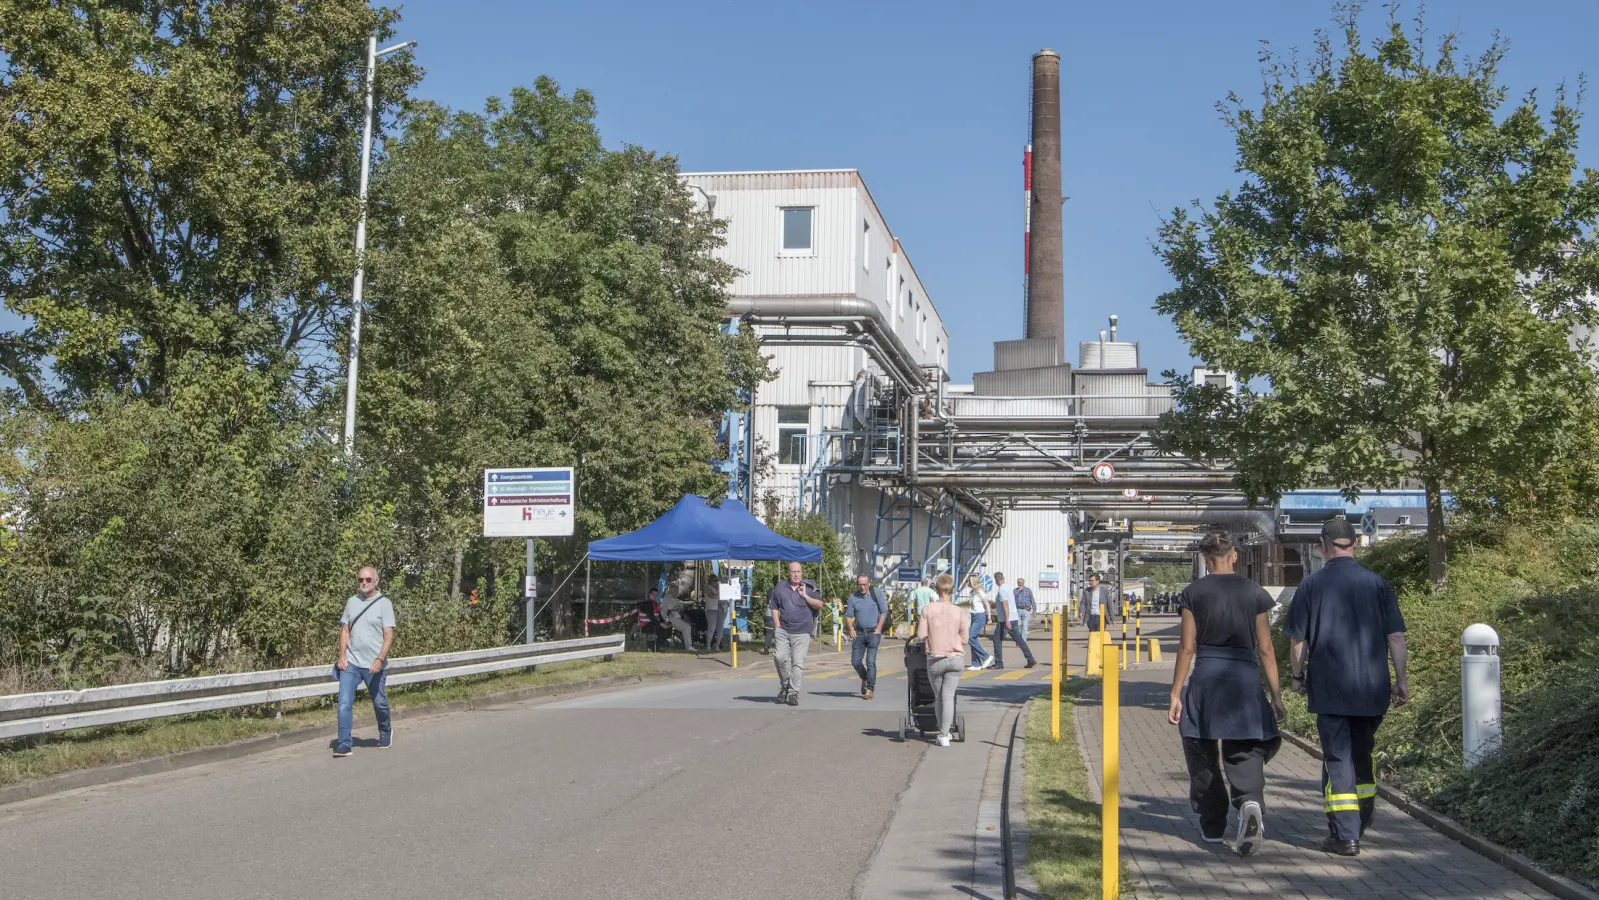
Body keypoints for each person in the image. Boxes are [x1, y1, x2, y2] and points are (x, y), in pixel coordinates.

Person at [1284, 518, 1409, 858]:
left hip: (1330, 687)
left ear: (1323, 546)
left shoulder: (1311, 586)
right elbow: (1396, 637)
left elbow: (1298, 640)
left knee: (1337, 758)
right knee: (1361, 754)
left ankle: (1346, 835)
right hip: (1372, 688)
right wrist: (1401, 681)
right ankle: (1361, 817)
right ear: (1354, 543)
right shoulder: (1378, 584)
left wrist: (1297, 677)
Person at [1166, 531, 1287, 856]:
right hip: (1244, 682)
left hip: (1207, 681)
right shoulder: (1254, 592)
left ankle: (1212, 825)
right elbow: (1265, 649)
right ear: (1234, 555)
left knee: (1201, 752)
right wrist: (1275, 694)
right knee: (1244, 750)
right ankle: (1249, 803)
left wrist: (1176, 692)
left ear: (1205, 559)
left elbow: (1187, 647)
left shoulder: (1193, 593)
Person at [334, 566, 396, 758]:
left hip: (373, 665)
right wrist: (341, 655)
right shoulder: (351, 602)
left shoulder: (384, 604)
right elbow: (345, 630)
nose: (364, 583)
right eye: (361, 580)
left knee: (379, 702)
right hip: (351, 663)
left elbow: (388, 636)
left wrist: (379, 659)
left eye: (368, 580)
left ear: (376, 581)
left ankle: (385, 730)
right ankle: (344, 743)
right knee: (344, 702)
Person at [915, 573, 970, 747]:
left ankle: (943, 734)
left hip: (935, 659)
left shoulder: (928, 610)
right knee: (949, 696)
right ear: (952, 591)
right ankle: (945, 733)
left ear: (936, 590)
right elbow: (965, 639)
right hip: (955, 658)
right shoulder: (959, 611)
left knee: (939, 697)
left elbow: (921, 635)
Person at [768, 562, 825, 706]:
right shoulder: (780, 587)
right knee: (779, 658)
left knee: (797, 663)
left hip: (802, 631)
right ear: (789, 572)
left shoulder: (810, 587)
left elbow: (819, 604)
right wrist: (777, 625)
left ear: (802, 572)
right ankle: (785, 684)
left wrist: (805, 595)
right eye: (793, 571)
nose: (796, 574)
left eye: (798, 571)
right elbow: (774, 607)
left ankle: (793, 693)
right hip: (783, 629)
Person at [846, 574, 888, 699]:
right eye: (860, 584)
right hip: (859, 633)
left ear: (869, 584)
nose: (862, 587)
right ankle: (864, 677)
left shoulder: (877, 594)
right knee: (855, 662)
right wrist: (850, 628)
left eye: (865, 584)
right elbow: (848, 615)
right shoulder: (853, 597)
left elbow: (884, 611)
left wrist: (879, 628)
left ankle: (870, 689)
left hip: (873, 633)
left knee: (870, 662)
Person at [991, 572, 1037, 670]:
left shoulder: (1002, 590)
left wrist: (1007, 620)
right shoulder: (1008, 588)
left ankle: (999, 663)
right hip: (1014, 618)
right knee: (1019, 640)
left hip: (1006, 620)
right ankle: (1030, 659)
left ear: (996, 580)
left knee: (997, 639)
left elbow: (1005, 604)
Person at [963, 575, 994, 671]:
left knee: (970, 638)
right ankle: (976, 663)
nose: (967, 583)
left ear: (972, 582)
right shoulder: (972, 592)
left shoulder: (980, 592)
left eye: (968, 581)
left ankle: (985, 656)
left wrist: (989, 617)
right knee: (974, 640)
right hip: (973, 616)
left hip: (980, 616)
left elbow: (987, 604)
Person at [659, 582, 697, 652]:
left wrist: (678, 606)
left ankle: (687, 644)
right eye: (676, 590)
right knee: (687, 627)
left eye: (677, 590)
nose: (677, 592)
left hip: (670, 617)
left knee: (686, 624)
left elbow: (678, 607)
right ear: (671, 591)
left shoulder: (670, 597)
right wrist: (678, 607)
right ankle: (688, 646)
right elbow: (674, 608)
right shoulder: (669, 598)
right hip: (667, 619)